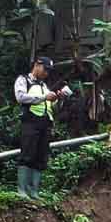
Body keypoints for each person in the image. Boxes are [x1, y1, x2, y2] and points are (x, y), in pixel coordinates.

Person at [14, 56, 71, 199]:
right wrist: (44, 98)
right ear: (37, 65)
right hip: (30, 122)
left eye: (48, 71)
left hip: (45, 123)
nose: (46, 73)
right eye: (45, 69)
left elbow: (50, 107)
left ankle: (34, 191)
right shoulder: (23, 80)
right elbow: (21, 97)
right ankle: (22, 190)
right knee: (27, 154)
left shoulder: (44, 86)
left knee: (41, 157)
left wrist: (58, 98)